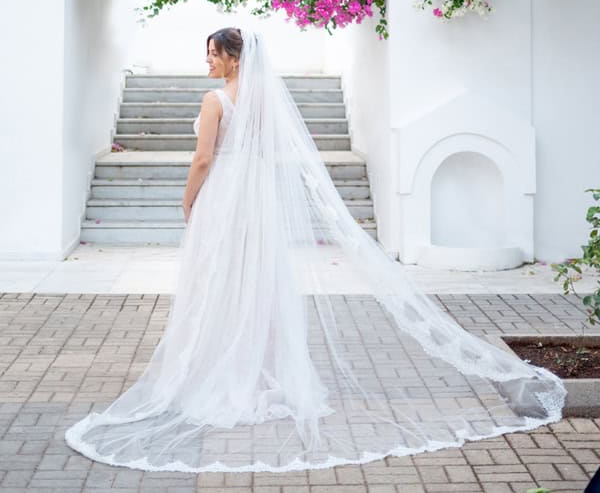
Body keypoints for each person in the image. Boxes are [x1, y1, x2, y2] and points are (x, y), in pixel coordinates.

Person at [65, 26, 565, 473]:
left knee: (217, 280)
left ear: (234, 58)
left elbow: (202, 159)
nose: (209, 63)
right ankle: (259, 372)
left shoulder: (216, 100)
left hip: (225, 196)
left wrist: (188, 200)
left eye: (213, 54)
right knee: (256, 280)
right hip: (255, 197)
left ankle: (219, 372)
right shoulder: (263, 98)